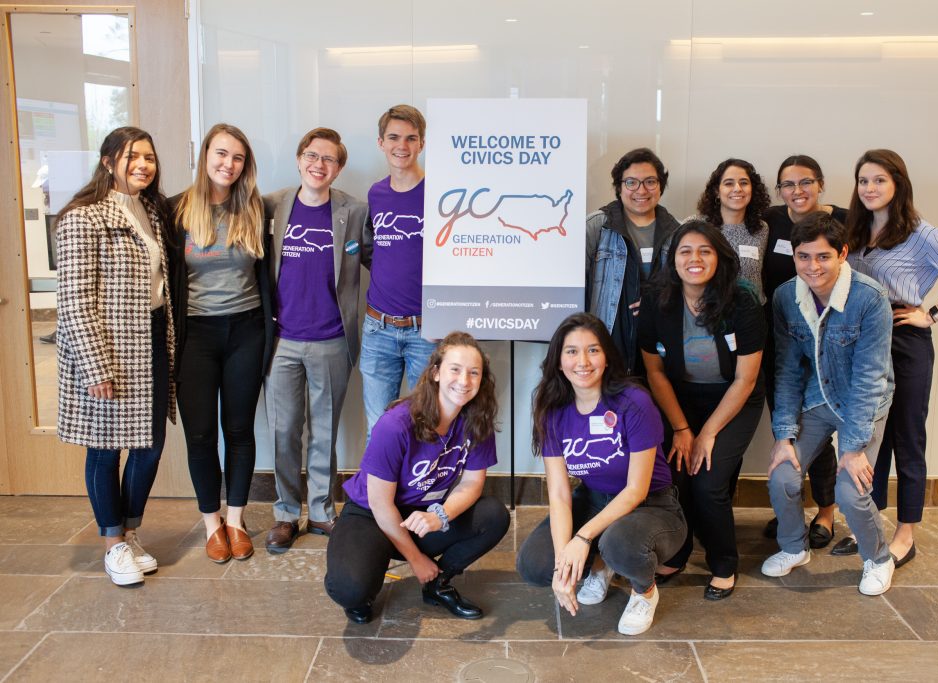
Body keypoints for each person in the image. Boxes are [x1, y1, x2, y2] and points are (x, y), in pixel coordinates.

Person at [837, 149, 938, 566]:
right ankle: (868, 521)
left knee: (906, 435)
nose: (869, 188)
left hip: (904, 340)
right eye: (863, 180)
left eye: (878, 181)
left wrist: (933, 314)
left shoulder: (922, 234)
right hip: (864, 339)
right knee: (871, 434)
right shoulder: (854, 226)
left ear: (898, 185)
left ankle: (906, 532)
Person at [55, 126, 175, 586]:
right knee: (106, 449)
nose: (143, 164)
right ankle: (111, 544)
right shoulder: (81, 217)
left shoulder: (152, 211)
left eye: (149, 156)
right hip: (109, 346)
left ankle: (130, 531)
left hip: (153, 338)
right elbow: (74, 301)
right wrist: (95, 365)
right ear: (108, 161)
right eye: (132, 157)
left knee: (149, 447)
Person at [517, 313, 685, 636]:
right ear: (558, 361)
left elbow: (636, 490)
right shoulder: (552, 409)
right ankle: (600, 566)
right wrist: (561, 565)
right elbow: (559, 495)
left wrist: (582, 538)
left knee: (618, 543)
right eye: (572, 351)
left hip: (653, 506)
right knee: (536, 563)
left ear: (607, 357)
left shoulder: (634, 402)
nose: (583, 361)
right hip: (593, 499)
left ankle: (644, 592)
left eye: (593, 350)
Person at [325, 332, 510, 624]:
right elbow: (380, 502)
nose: (464, 380)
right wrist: (416, 559)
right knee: (349, 589)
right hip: (372, 514)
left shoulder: (477, 421)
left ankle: (438, 584)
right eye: (455, 369)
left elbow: (472, 484)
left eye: (474, 373)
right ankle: (367, 572)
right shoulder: (396, 424)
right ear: (436, 373)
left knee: (493, 515)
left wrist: (440, 515)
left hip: (421, 514)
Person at [761, 212, 896, 596]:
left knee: (850, 490)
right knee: (782, 474)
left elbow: (869, 379)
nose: (813, 266)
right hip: (817, 397)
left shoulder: (870, 298)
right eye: (804, 257)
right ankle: (793, 547)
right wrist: (784, 435)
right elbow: (786, 369)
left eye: (823, 256)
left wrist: (853, 448)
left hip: (862, 402)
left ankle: (878, 558)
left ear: (843, 254)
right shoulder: (787, 296)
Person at [639, 222, 765, 600]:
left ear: (720, 257)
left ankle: (724, 562)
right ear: (672, 259)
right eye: (685, 251)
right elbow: (654, 371)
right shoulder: (656, 300)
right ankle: (676, 552)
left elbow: (745, 379)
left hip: (734, 398)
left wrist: (707, 433)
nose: (694, 259)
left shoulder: (742, 300)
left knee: (708, 481)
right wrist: (681, 428)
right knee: (674, 476)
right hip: (680, 398)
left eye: (704, 251)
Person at [169, 123, 273, 563]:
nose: (228, 164)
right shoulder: (175, 209)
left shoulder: (254, 208)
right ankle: (212, 524)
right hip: (196, 334)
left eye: (237, 158)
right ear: (205, 154)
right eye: (221, 154)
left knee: (238, 430)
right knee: (200, 434)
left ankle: (235, 519)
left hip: (246, 330)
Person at [262, 128, 367, 552]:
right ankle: (287, 512)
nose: (318, 164)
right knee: (284, 430)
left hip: (331, 339)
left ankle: (322, 511)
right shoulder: (273, 205)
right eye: (311, 155)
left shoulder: (355, 212)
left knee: (324, 430)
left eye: (328, 159)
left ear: (338, 167)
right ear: (299, 159)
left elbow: (383, 258)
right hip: (282, 340)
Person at [760, 155, 847, 551]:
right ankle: (789, 511)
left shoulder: (845, 220)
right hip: (782, 340)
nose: (797, 191)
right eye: (788, 184)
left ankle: (826, 511)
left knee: (820, 428)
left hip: (831, 344)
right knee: (786, 424)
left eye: (805, 182)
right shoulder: (770, 221)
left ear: (821, 183)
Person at [360, 105, 435, 434]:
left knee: (428, 426)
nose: (401, 146)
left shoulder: (438, 193)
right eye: (393, 137)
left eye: (410, 138)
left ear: (422, 144)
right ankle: (380, 489)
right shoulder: (375, 194)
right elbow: (372, 250)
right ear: (380, 142)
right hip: (378, 329)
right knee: (380, 429)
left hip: (428, 332)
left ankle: (424, 489)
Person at [585, 148, 680, 375]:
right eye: (631, 182)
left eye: (650, 181)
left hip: (660, 343)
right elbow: (576, 288)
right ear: (619, 187)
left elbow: (687, 289)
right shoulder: (597, 226)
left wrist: (657, 300)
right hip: (608, 340)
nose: (641, 190)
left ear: (660, 185)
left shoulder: (677, 232)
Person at [691, 158, 771, 304]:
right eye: (729, 183)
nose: (737, 189)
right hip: (708, 312)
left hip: (753, 314)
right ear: (717, 191)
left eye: (744, 183)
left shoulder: (762, 229)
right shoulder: (695, 226)